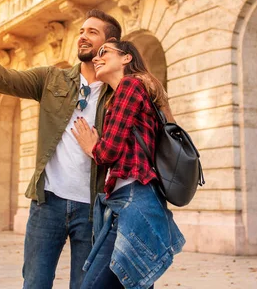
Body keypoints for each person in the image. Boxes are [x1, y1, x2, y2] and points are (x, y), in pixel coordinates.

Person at [0, 6, 122, 289]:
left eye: (92, 32)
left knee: (85, 286)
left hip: (92, 208)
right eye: (81, 31)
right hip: (48, 203)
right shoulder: (53, 78)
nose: (82, 36)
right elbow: (1, 78)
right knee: (35, 284)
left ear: (109, 45)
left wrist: (97, 149)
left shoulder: (118, 93)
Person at [72, 40, 185, 288]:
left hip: (132, 200)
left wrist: (92, 146)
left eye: (105, 53)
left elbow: (108, 152)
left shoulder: (130, 86)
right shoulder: (140, 89)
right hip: (141, 199)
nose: (97, 58)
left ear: (126, 58)